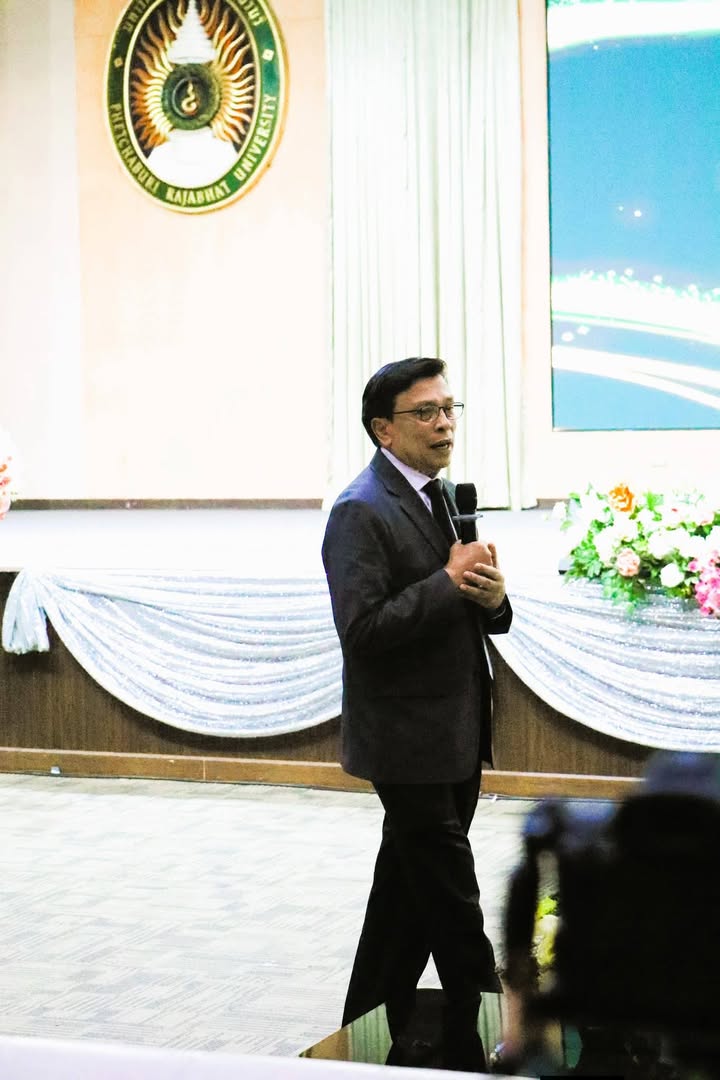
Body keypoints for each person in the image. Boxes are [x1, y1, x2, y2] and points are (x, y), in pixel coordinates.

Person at [321, 356, 513, 1071]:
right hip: (406, 742)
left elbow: (474, 607)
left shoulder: (444, 497)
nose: (444, 424)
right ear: (384, 429)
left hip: (455, 732)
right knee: (457, 912)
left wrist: (493, 599)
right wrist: (446, 581)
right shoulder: (360, 509)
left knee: (400, 911)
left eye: (449, 408)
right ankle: (494, 1044)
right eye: (425, 413)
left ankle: (366, 1042)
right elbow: (362, 631)